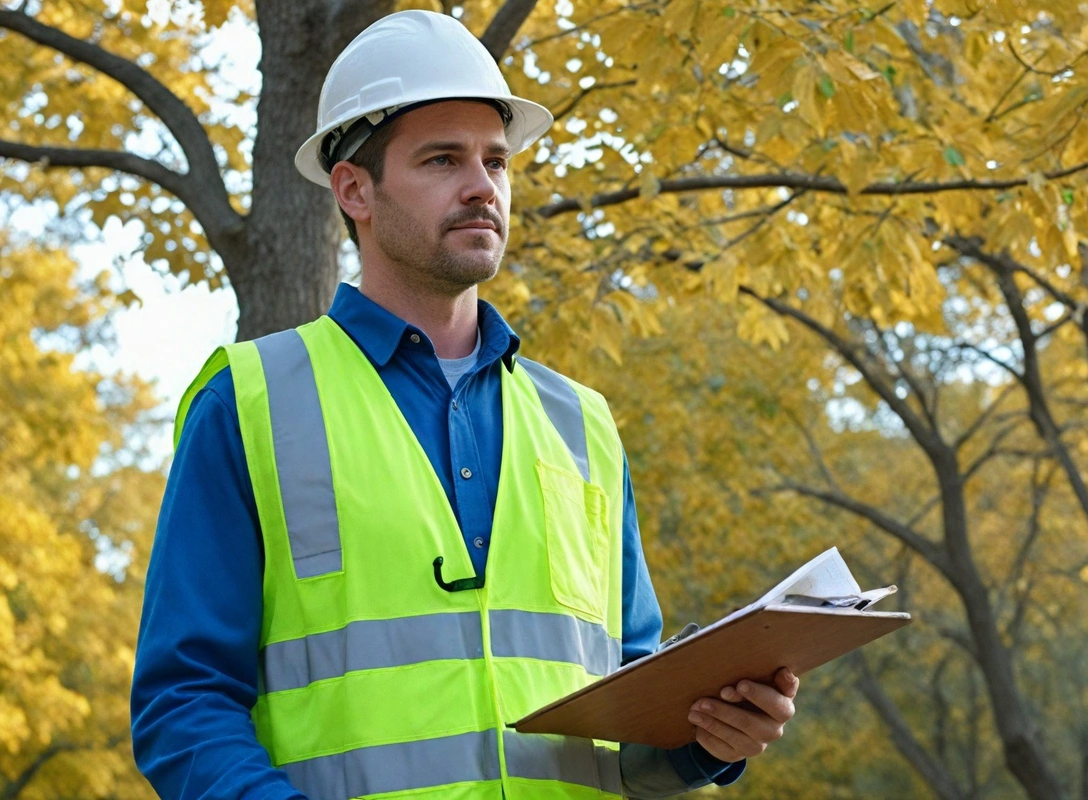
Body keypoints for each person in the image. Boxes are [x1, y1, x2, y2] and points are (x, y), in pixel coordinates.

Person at [130, 10, 797, 799]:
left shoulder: (582, 424)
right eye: (443, 160)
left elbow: (628, 732)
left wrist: (707, 739)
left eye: (496, 161)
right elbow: (183, 704)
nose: (483, 187)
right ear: (355, 190)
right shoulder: (248, 402)